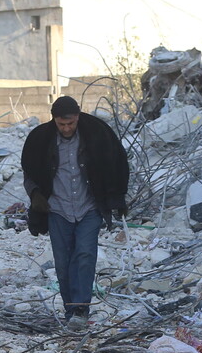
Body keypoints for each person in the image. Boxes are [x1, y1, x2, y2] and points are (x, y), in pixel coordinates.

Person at [20, 96, 130, 329]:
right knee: (63, 261)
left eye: (71, 123)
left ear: (78, 117)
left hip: (89, 206)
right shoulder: (40, 140)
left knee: (85, 255)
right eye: (62, 124)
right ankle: (71, 311)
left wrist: (116, 198)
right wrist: (36, 195)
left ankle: (81, 308)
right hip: (57, 209)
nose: (67, 128)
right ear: (54, 120)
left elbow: (117, 163)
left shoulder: (98, 134)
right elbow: (29, 172)